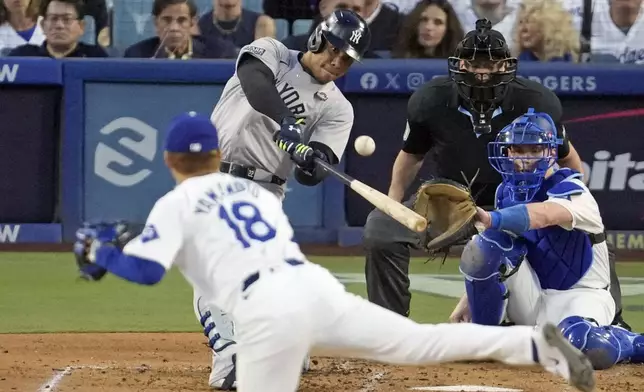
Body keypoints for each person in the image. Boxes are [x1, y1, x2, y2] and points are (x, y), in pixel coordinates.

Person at [72, 111, 596, 392]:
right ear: (216, 153)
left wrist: (102, 255)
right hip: (314, 288)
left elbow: (142, 272)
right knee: (417, 343)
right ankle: (533, 347)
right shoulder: (255, 193)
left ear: (168, 159)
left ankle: (276, 354)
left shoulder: (177, 200)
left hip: (268, 311)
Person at [362, 18, 629, 330]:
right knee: (380, 228)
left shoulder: (536, 101)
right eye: (474, 62)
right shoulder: (429, 100)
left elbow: (567, 156)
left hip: (520, 203)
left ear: (506, 65)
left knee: (589, 235)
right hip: (452, 205)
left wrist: (576, 206)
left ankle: (614, 320)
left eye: (490, 62)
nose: (482, 70)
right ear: (459, 63)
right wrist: (393, 203)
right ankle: (388, 327)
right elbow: (411, 156)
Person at [198, 8, 371, 389]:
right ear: (317, 38)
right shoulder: (271, 52)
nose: (337, 61)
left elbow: (315, 172)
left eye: (347, 59)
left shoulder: (338, 108)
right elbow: (254, 81)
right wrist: (288, 123)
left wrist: (310, 159)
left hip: (265, 189)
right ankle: (230, 357)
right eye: (333, 49)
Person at [450, 108, 644, 370]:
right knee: (483, 247)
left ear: (551, 152)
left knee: (583, 344)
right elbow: (492, 256)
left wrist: (492, 218)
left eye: (534, 149)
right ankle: (484, 338)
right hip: (533, 295)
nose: (524, 158)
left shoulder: (574, 191)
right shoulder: (505, 192)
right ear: (507, 152)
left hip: (580, 295)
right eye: (517, 150)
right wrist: (469, 299)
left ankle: (632, 342)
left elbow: (544, 214)